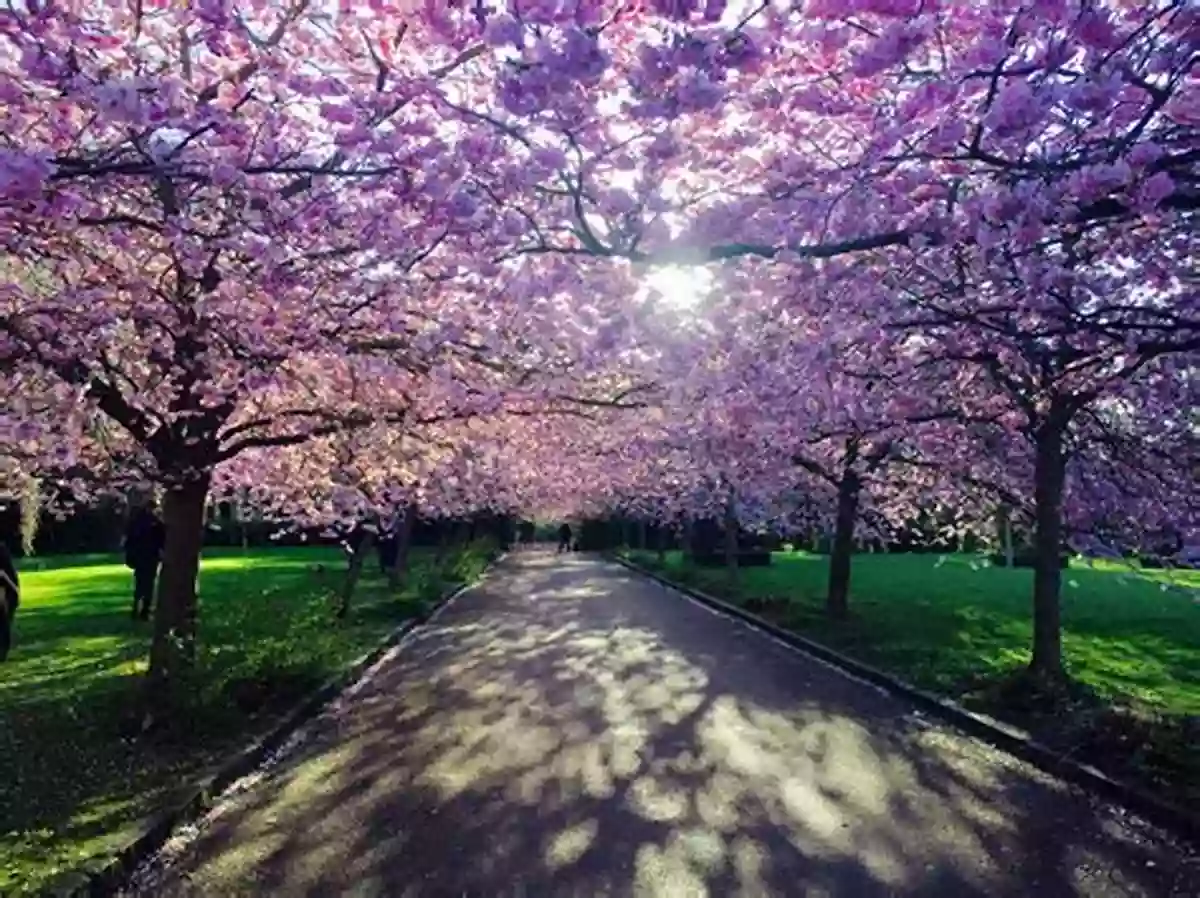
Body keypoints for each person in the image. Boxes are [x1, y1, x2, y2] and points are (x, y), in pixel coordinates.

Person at [125, 499, 165, 621]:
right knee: (149, 584)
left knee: (139, 583)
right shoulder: (154, 522)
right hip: (150, 556)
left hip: (139, 557)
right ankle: (145, 611)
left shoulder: (135, 522)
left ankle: (136, 608)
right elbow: (161, 538)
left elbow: (129, 540)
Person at [0, 542, 19, 662]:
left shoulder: (1, 551)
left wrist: (15, 591)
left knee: (3, 621)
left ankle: (2, 651)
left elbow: (4, 575)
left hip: (6, 591)